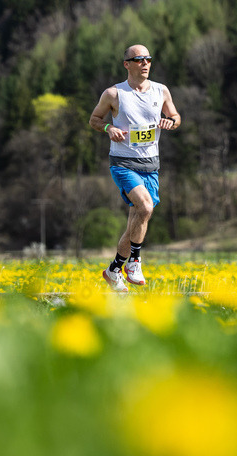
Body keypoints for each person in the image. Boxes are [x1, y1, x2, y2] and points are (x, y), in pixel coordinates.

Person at [89, 44, 181, 292]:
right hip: (123, 164)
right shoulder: (114, 94)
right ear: (126, 64)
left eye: (148, 59)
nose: (145, 63)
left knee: (137, 221)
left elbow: (176, 116)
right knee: (145, 206)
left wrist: (170, 121)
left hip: (151, 165)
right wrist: (109, 128)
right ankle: (135, 262)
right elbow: (95, 120)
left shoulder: (161, 91)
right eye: (139, 59)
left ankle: (113, 270)